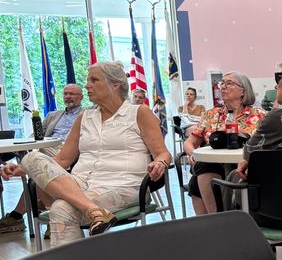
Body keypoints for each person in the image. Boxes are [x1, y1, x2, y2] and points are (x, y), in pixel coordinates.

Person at [0, 62, 171, 247]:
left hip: (124, 185)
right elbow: (63, 159)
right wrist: (22, 169)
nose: (88, 85)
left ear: (115, 85)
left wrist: (160, 163)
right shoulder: (85, 117)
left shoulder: (139, 113)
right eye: (88, 80)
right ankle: (93, 211)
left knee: (62, 208)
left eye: (94, 80)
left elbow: (162, 153)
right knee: (31, 158)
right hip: (80, 185)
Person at [0, 84, 86, 234]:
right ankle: (24, 216)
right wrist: (24, 145)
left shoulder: (88, 114)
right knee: (37, 171)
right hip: (48, 149)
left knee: (37, 173)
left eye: (72, 94)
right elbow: (36, 135)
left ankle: (19, 216)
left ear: (81, 97)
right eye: (66, 94)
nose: (68, 97)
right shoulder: (53, 115)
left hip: (71, 151)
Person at [183, 72, 265, 215]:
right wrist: (193, 154)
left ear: (243, 91)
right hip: (212, 165)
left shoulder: (259, 114)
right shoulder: (211, 114)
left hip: (246, 164)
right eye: (222, 83)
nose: (223, 87)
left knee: (196, 180)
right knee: (201, 167)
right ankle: (217, 220)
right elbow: (190, 142)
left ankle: (219, 222)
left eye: (229, 83)